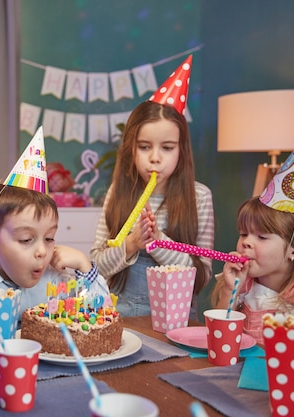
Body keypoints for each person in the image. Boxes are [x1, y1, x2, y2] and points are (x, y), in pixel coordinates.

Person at [0, 128, 110, 349]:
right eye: (26, 239)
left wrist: (85, 267)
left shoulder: (53, 278)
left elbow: (101, 317)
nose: (42, 251)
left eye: (49, 238)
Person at [90, 55, 214, 317]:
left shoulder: (199, 196)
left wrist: (159, 241)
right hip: (121, 314)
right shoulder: (118, 193)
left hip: (179, 318)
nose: (155, 157)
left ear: (181, 150)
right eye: (144, 147)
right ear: (131, 149)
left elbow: (200, 279)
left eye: (167, 148)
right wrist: (132, 244)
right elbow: (96, 267)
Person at [212, 142, 294, 344]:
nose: (246, 242)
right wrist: (230, 291)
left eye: (261, 237)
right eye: (243, 234)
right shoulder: (243, 288)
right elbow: (217, 339)